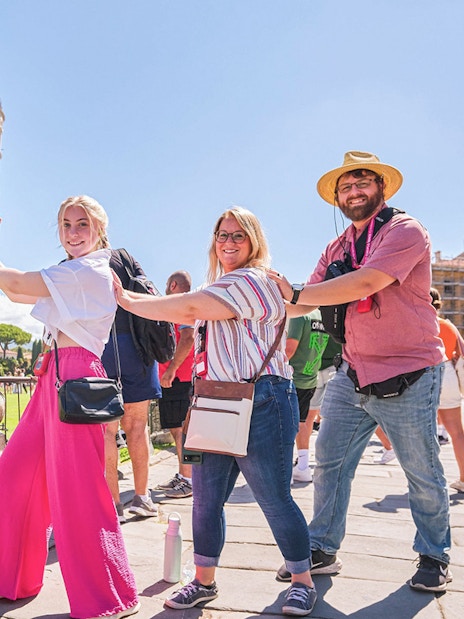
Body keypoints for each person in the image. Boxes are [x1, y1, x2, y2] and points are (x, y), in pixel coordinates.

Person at [113, 206, 317, 616]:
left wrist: (127, 299)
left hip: (263, 399)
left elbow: (186, 310)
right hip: (215, 399)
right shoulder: (222, 283)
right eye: (221, 235)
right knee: (204, 499)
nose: (227, 243)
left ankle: (302, 580)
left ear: (254, 241)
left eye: (237, 236)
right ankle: (204, 581)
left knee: (274, 498)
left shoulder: (252, 280)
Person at [270, 151, 451, 593]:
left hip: (410, 372)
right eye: (346, 187)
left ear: (381, 189)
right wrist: (254, 293)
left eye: (363, 182)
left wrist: (293, 290)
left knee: (422, 471)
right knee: (329, 462)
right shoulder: (336, 248)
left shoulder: (406, 231)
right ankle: (322, 547)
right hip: (353, 372)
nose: (354, 192)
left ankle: (434, 555)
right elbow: (304, 300)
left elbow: (368, 281)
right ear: (337, 198)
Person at [0, 196, 140, 619]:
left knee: (79, 490)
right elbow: (17, 291)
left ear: (99, 230)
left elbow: (18, 285)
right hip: (53, 375)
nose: (73, 231)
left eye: (83, 223)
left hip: (76, 373)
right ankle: (13, 578)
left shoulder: (93, 269)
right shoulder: (71, 272)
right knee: (13, 475)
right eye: (66, 223)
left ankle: (108, 596)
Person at [102, 249, 161, 523]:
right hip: (137, 348)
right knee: (137, 426)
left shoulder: (78, 262)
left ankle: (113, 504)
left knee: (106, 431)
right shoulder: (123, 256)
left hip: (101, 348)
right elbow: (146, 289)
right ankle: (141, 497)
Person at [157, 270, 195, 498]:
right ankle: (185, 476)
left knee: (182, 431)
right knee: (180, 430)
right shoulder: (185, 305)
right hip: (180, 376)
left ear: (172, 285)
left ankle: (189, 479)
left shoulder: (180, 307)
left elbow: (188, 338)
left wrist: (171, 369)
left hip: (179, 376)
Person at [286, 309, 328, 483]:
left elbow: (290, 350)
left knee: (283, 425)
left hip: (292, 377)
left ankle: (284, 471)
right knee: (303, 421)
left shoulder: (299, 316)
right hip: (310, 377)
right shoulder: (320, 316)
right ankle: (303, 465)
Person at [430, 287, 464, 492]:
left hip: (425, 374)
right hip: (449, 374)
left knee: (426, 433)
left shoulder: (421, 324)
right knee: (457, 432)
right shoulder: (449, 326)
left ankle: (431, 481)